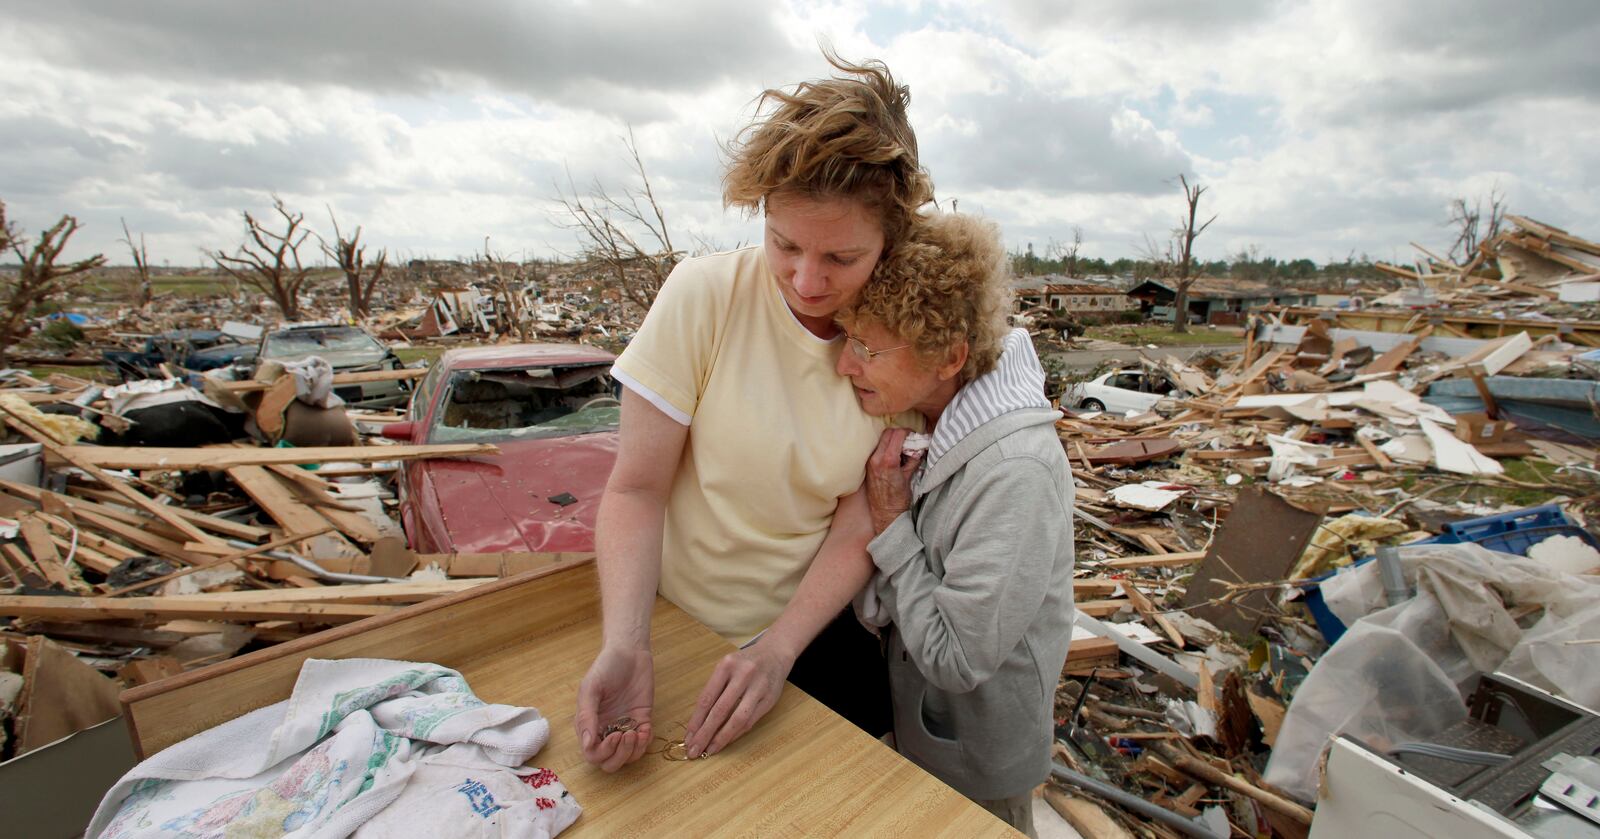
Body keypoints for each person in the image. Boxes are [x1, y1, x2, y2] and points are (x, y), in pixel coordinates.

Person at [573, 52, 935, 772]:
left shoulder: (903, 342)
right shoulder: (704, 296)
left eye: (841, 256)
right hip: (669, 621)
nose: (807, 279)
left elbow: (859, 516)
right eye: (785, 244)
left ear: (890, 242)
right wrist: (628, 641)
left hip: (808, 631)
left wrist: (777, 647)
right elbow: (636, 488)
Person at [837, 212, 1075, 838]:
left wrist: (891, 522)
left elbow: (953, 659)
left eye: (867, 348)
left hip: (977, 768)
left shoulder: (1013, 473)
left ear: (950, 356)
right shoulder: (939, 425)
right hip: (933, 741)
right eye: (847, 340)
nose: (845, 364)